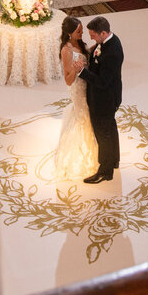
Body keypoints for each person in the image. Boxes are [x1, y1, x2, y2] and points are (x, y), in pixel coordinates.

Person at [75, 16, 124, 183]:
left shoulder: (113, 52)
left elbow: (103, 82)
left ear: (103, 33)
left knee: (103, 134)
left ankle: (105, 171)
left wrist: (83, 72)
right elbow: (97, 57)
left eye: (93, 35)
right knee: (110, 130)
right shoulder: (108, 41)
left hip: (105, 100)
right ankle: (113, 161)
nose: (91, 38)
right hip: (105, 96)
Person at [54, 16, 96, 180]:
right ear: (70, 33)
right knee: (82, 117)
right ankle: (81, 156)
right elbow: (68, 79)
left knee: (88, 116)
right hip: (78, 88)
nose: (82, 32)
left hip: (88, 84)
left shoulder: (79, 43)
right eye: (79, 31)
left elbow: (85, 56)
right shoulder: (67, 50)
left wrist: (95, 47)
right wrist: (75, 68)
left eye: (82, 30)